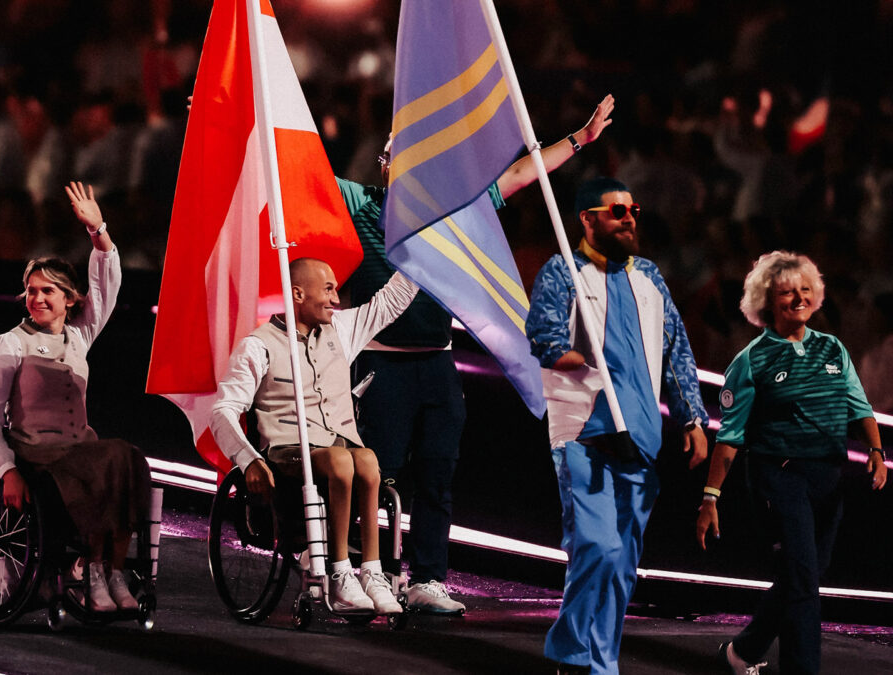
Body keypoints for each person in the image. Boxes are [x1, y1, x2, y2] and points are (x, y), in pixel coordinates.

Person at [338, 95, 617, 615]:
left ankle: (426, 579)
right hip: (380, 364)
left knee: (439, 473)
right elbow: (295, 169)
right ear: (385, 165)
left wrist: (581, 139)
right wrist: (228, 121)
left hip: (436, 365)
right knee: (377, 475)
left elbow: (518, 173)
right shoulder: (359, 202)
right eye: (404, 160)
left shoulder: (454, 214)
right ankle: (370, 574)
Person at [526, 177, 709, 674]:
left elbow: (678, 349)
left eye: (633, 209)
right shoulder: (564, 272)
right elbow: (541, 337)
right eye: (617, 211)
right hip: (584, 432)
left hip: (642, 436)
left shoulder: (650, 275)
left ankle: (602, 664)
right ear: (587, 219)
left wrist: (693, 417)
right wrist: (577, 357)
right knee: (598, 548)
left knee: (624, 565)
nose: (629, 218)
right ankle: (569, 651)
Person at [696, 251, 887, 675]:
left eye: (804, 290)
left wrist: (876, 452)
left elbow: (860, 407)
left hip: (828, 478)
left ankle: (742, 652)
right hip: (778, 478)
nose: (798, 298)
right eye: (786, 293)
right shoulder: (751, 360)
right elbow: (729, 437)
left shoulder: (832, 347)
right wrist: (710, 498)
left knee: (806, 576)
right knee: (803, 583)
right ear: (767, 301)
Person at [0, 181, 151, 613]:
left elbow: (108, 286)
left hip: (77, 451)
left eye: (48, 291)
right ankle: (87, 570)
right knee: (106, 459)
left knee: (127, 458)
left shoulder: (80, 337)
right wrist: (6, 471)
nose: (36, 298)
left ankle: (109, 570)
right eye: (31, 290)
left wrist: (98, 230)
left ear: (70, 300)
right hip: (37, 455)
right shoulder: (8, 345)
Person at [210, 258, 419, 614]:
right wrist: (249, 460)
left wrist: (423, 251)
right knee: (342, 459)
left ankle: (370, 571)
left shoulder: (341, 329)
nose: (336, 298)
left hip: (340, 449)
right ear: (297, 293)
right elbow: (223, 411)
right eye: (327, 289)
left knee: (366, 457)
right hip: (286, 451)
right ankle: (338, 573)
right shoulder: (258, 345)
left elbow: (391, 300)